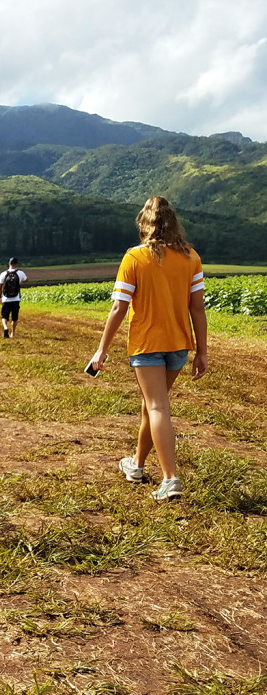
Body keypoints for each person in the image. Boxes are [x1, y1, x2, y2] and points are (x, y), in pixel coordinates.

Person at [90, 197, 208, 502]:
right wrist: (202, 352)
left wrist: (101, 350)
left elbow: (119, 307)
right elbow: (198, 310)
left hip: (147, 345)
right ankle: (137, 466)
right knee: (151, 405)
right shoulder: (191, 257)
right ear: (173, 222)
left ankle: (171, 478)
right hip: (179, 345)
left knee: (157, 407)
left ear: (144, 223)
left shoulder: (135, 257)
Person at [0, 257, 28, 338]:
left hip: (6, 298)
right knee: (15, 317)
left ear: (9, 264)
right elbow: (26, 280)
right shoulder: (20, 273)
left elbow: (0, 287)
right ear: (16, 264)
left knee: (4, 316)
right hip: (16, 298)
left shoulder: (3, 274)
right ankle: (13, 333)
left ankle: (5, 327)